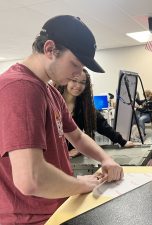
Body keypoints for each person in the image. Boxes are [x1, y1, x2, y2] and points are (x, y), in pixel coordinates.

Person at [0, 15, 123, 225]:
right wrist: (80, 184)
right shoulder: (20, 88)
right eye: (74, 64)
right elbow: (31, 179)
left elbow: (77, 136)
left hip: (59, 208)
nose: (78, 74)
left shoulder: (49, 90)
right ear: (49, 49)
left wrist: (106, 159)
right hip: (33, 218)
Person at [55, 68, 135, 158]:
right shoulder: (53, 102)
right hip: (51, 156)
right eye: (74, 80)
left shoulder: (84, 107)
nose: (78, 85)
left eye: (83, 82)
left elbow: (102, 126)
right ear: (66, 81)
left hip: (72, 159)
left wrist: (122, 142)